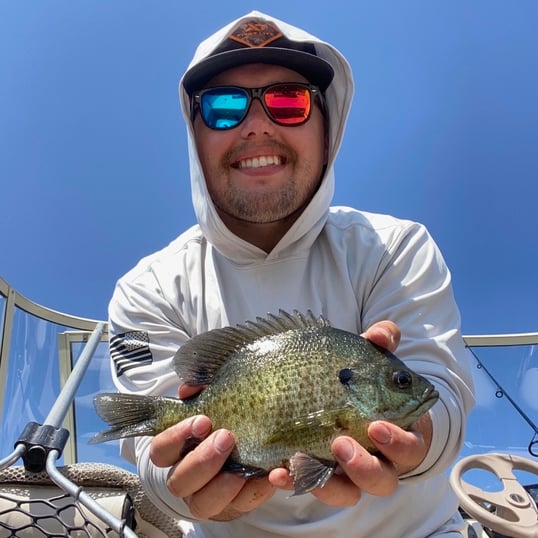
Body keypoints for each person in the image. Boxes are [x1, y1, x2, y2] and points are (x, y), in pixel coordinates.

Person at [108, 10, 475, 537]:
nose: (257, 124)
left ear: (330, 125)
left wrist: (415, 440)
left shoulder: (396, 246)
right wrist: (181, 487)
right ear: (194, 135)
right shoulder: (148, 288)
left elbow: (442, 392)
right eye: (224, 106)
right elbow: (153, 455)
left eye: (289, 101)